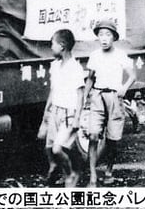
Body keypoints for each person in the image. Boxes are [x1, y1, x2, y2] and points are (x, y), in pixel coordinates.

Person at [83, 19, 137, 187]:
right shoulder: (94, 55)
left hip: (114, 97)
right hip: (97, 96)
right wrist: (85, 96)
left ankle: (109, 171)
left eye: (108, 34)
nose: (104, 38)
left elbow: (133, 76)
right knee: (93, 135)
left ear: (114, 37)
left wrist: (124, 88)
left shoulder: (120, 55)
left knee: (112, 138)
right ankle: (92, 176)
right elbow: (90, 78)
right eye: (101, 35)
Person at [38, 29, 85, 187]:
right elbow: (53, 90)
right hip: (55, 112)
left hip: (68, 114)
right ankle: (56, 168)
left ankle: (71, 173)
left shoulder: (75, 68)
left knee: (58, 149)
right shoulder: (55, 66)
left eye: (53, 44)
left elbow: (80, 95)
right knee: (49, 147)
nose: (51, 47)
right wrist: (46, 113)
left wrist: (77, 119)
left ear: (62, 46)